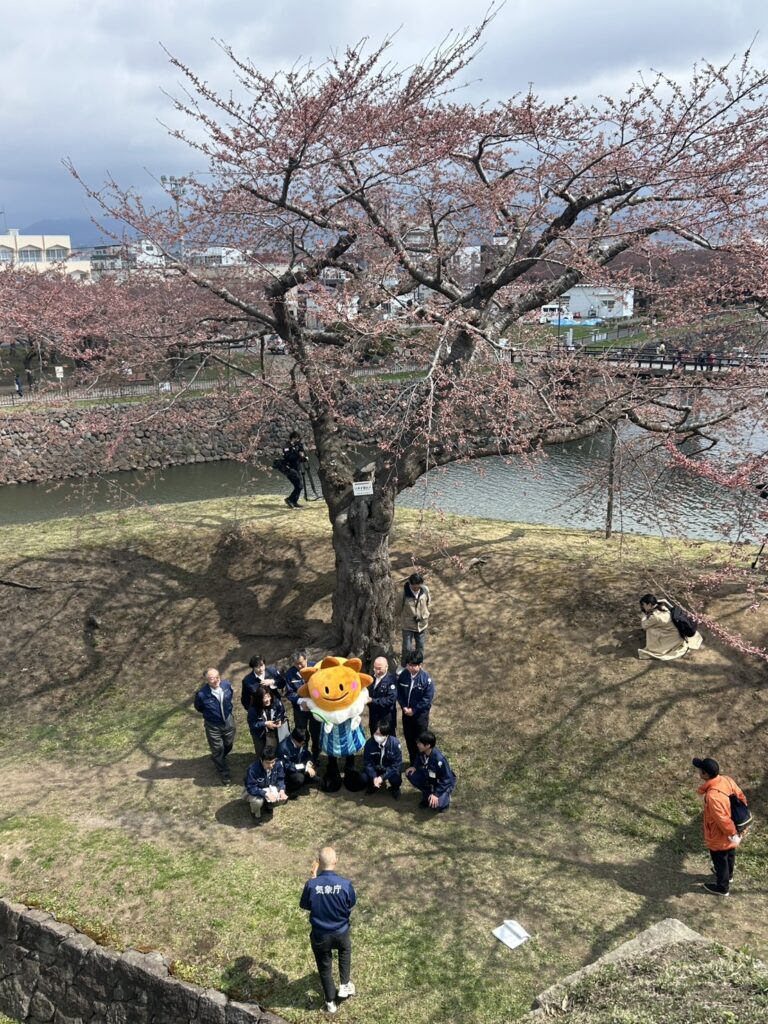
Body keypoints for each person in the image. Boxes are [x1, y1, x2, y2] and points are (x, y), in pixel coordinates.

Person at [299, 846, 357, 1014]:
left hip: (320, 935)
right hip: (341, 932)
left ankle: (330, 1002)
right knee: (345, 951)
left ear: (319, 863)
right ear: (336, 862)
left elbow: (305, 905)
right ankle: (344, 984)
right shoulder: (345, 885)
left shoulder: (311, 885)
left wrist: (313, 879)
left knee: (324, 968)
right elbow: (351, 903)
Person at [693, 756, 747, 896]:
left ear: (705, 774)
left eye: (700, 770)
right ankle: (729, 876)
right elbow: (741, 797)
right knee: (730, 853)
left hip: (720, 832)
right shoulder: (727, 780)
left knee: (720, 858)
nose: (699, 772)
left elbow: (722, 819)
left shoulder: (712, 796)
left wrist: (732, 833)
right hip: (734, 826)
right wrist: (737, 829)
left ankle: (723, 887)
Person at [193, 668, 236, 784]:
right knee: (217, 749)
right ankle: (224, 771)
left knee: (228, 744)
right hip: (213, 725)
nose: (216, 680)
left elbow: (230, 697)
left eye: (217, 677)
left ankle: (219, 757)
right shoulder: (202, 694)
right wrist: (211, 715)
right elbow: (199, 707)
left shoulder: (226, 685)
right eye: (212, 678)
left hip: (228, 721)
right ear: (207, 680)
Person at [638, 594, 703, 660]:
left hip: (672, 638)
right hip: (677, 633)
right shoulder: (662, 607)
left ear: (649, 605)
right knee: (654, 626)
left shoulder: (654, 616)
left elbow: (644, 626)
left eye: (643, 605)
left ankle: (655, 648)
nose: (642, 607)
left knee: (650, 629)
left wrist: (644, 614)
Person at [396, 654, 435, 765]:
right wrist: (403, 706)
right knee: (409, 739)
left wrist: (414, 710)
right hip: (406, 715)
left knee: (421, 741)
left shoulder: (426, 680)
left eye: (413, 665)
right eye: (409, 665)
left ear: (420, 665)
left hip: (420, 717)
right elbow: (399, 693)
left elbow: (427, 700)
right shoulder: (403, 675)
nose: (410, 668)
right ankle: (413, 762)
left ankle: (422, 764)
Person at [406, 731, 456, 812]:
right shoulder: (423, 751)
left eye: (420, 743)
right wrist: (414, 766)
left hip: (443, 783)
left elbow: (447, 779)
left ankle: (445, 797)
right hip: (430, 777)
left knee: (438, 805)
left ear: (428, 745)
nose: (417, 745)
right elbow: (418, 757)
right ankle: (427, 792)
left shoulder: (439, 760)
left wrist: (436, 794)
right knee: (410, 774)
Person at [284, 651, 321, 757]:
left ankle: (316, 755)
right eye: (296, 664)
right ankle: (303, 754)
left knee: (316, 732)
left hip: (315, 708)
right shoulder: (290, 673)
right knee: (301, 733)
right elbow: (289, 693)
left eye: (301, 663)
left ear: (306, 659)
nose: (299, 666)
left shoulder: (316, 668)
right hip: (299, 710)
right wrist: (301, 702)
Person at [243, 750, 288, 824]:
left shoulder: (278, 764)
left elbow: (280, 779)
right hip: (255, 790)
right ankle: (255, 814)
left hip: (270, 787)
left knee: (282, 798)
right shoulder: (253, 769)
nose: (271, 765)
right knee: (258, 802)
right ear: (261, 760)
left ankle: (269, 805)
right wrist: (265, 793)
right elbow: (251, 787)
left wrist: (282, 791)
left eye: (273, 762)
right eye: (267, 763)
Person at [361, 721, 403, 799]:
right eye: (376, 733)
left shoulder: (395, 744)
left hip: (388, 768)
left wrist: (382, 777)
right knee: (364, 778)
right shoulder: (369, 744)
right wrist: (374, 777)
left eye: (380, 734)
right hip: (375, 768)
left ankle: (395, 788)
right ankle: (373, 785)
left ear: (386, 735)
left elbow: (397, 764)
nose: (377, 736)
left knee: (396, 779)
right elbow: (367, 762)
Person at [247, 685, 288, 759]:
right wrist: (265, 724)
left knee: (279, 750)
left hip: (276, 731)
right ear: (259, 699)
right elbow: (252, 724)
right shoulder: (253, 709)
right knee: (262, 754)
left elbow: (282, 712)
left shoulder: (276, 702)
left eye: (268, 696)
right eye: (264, 698)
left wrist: (279, 720)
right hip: (260, 733)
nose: (267, 700)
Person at [399, 572, 431, 665]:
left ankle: (418, 665)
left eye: (419, 586)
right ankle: (404, 665)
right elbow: (398, 608)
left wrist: (425, 614)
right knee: (407, 648)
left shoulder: (425, 590)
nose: (417, 588)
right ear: (410, 584)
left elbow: (428, 602)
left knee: (420, 646)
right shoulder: (403, 593)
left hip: (422, 624)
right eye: (415, 586)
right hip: (407, 625)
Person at [277, 726, 317, 797]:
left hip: (299, 767)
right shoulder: (283, 748)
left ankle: (302, 781)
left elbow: (307, 754)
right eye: (302, 744)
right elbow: (287, 766)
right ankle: (287, 790)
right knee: (299, 778)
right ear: (294, 739)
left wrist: (309, 763)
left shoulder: (301, 742)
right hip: (288, 772)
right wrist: (304, 767)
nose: (304, 745)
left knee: (315, 777)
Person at [367, 655, 398, 735]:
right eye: (375, 668)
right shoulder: (371, 677)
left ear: (386, 667)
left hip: (386, 719)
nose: (377, 671)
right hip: (373, 717)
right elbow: (359, 684)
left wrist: (373, 701)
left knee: (388, 740)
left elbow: (391, 699)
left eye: (379, 668)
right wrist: (353, 685)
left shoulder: (392, 680)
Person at [280, 430, 308, 510]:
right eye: (297, 438)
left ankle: (294, 501)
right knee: (299, 485)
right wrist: (298, 454)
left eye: (298, 439)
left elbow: (300, 457)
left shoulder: (298, 445)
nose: (298, 440)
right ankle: (289, 500)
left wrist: (304, 458)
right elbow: (288, 457)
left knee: (299, 486)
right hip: (290, 469)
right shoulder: (286, 446)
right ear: (293, 438)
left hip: (297, 468)